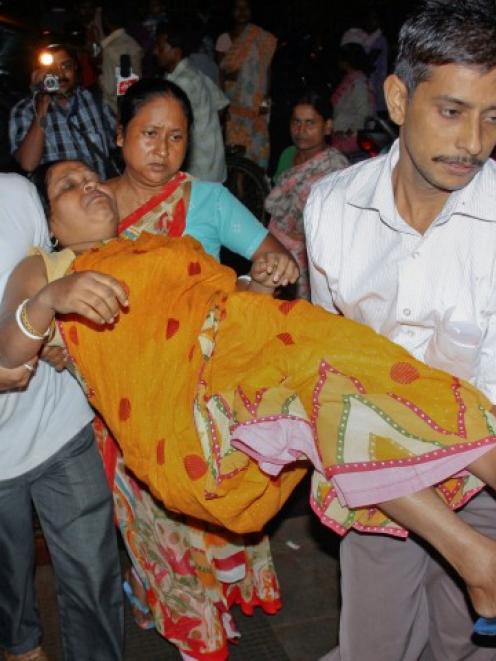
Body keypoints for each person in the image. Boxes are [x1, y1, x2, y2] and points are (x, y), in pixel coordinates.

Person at [4, 162, 496, 650]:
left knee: (353, 378)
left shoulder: (160, 244)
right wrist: (50, 298)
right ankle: (478, 550)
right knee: (331, 369)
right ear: (50, 226)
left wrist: (260, 281)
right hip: (187, 420)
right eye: (69, 186)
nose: (89, 186)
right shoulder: (47, 268)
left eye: (92, 178)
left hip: (243, 363)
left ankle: (478, 560)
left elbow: (222, 307)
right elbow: (7, 353)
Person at [304, 1, 496, 659]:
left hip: (486, 474)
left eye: (493, 116)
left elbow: (484, 415)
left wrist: (474, 544)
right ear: (396, 96)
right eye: (452, 110)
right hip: (381, 478)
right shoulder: (331, 206)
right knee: (373, 646)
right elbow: (329, 382)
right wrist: (469, 555)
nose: (473, 142)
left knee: (465, 646)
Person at [108, 78, 300, 659]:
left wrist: (271, 270)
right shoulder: (88, 208)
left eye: (175, 137)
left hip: (200, 398)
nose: (161, 150)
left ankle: (199, 626)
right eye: (148, 134)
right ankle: (162, 598)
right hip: (123, 401)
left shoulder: (208, 201)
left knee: (198, 517)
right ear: (120, 137)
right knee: (150, 523)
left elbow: (273, 254)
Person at [0, 173, 124, 661]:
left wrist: (53, 338)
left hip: (58, 426)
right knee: (11, 594)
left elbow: (41, 276)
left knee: (95, 577)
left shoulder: (14, 193)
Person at [266, 89, 349, 299]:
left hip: (308, 255)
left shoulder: (336, 168)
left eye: (310, 123)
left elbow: (336, 224)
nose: (301, 130)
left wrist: (302, 238)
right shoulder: (287, 154)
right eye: (296, 122)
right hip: (273, 247)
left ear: (327, 126)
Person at [9, 43, 116, 180]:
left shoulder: (94, 99)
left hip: (100, 189)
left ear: (75, 68)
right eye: (50, 69)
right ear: (37, 74)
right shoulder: (24, 110)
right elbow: (28, 164)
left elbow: (119, 140)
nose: (59, 74)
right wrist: (42, 105)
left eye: (66, 66)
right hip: (58, 198)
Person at [154, 22, 229, 182]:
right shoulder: (195, 73)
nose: (155, 52)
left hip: (198, 168)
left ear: (176, 52)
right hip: (212, 161)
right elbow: (221, 105)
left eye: (161, 48)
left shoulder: (180, 83)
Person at [217, 0, 277, 169]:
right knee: (237, 152)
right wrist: (222, 104)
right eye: (237, 8)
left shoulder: (261, 39)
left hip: (257, 106)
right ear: (231, 11)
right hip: (234, 105)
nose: (242, 12)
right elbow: (222, 73)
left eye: (246, 8)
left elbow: (266, 71)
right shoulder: (224, 39)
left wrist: (265, 101)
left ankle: (256, 189)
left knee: (256, 150)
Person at [330, 42, 375, 155]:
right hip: (342, 137)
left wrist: (348, 134)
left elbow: (364, 113)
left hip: (350, 142)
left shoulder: (358, 83)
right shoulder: (350, 79)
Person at [100, 4, 143, 113]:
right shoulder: (134, 44)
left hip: (115, 109)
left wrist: (99, 79)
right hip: (135, 104)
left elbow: (109, 88)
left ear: (106, 21)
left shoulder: (110, 49)